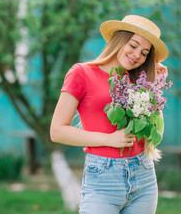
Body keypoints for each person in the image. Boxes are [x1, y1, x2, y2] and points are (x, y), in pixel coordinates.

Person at [50, 15, 169, 214]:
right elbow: (57, 131)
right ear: (119, 40)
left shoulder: (137, 80)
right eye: (133, 45)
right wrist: (110, 139)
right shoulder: (82, 73)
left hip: (143, 176)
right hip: (102, 178)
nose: (137, 55)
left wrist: (155, 88)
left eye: (144, 53)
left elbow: (154, 132)